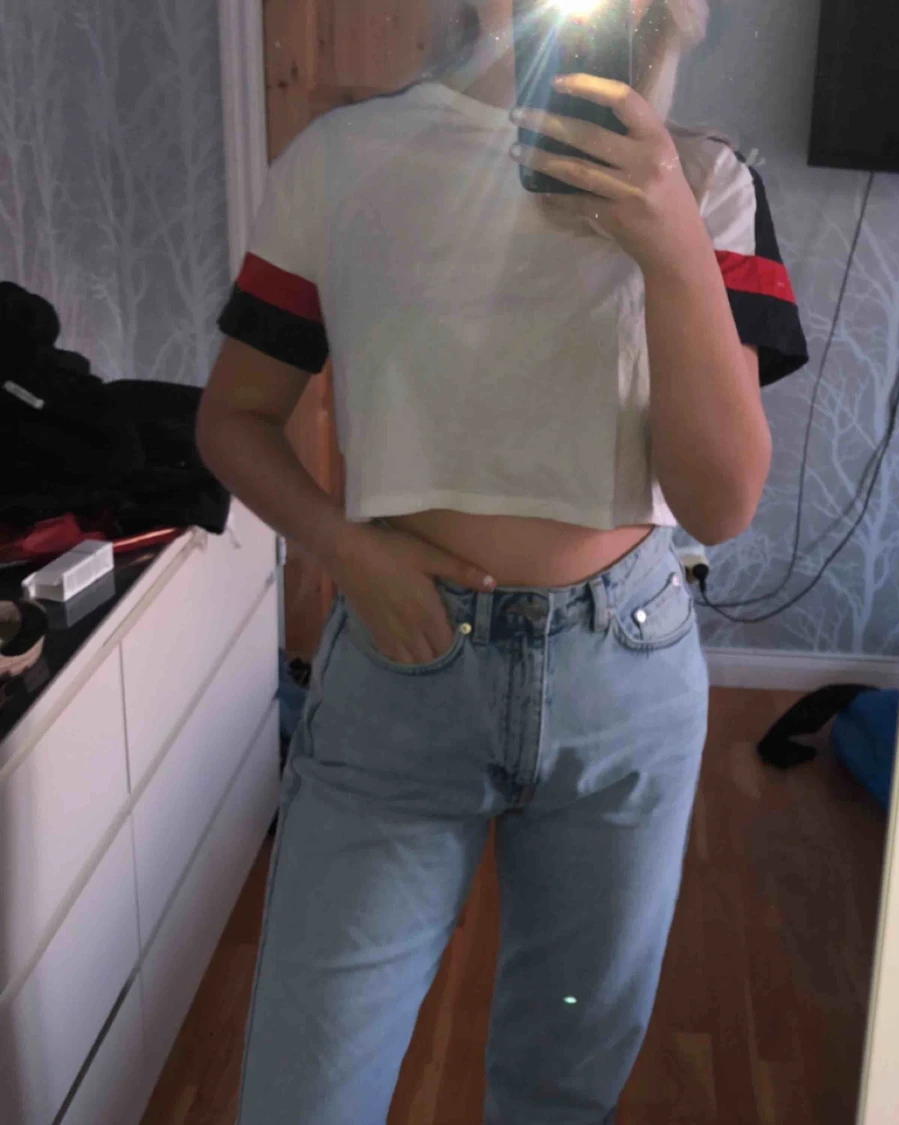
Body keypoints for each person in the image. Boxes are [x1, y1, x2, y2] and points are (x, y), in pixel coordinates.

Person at [197, 1, 808, 1121]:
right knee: (302, 1095)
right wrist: (343, 549)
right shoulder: (341, 161)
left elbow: (720, 506)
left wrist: (670, 241)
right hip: (400, 672)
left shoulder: (706, 182)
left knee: (559, 1092)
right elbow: (232, 417)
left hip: (621, 680)